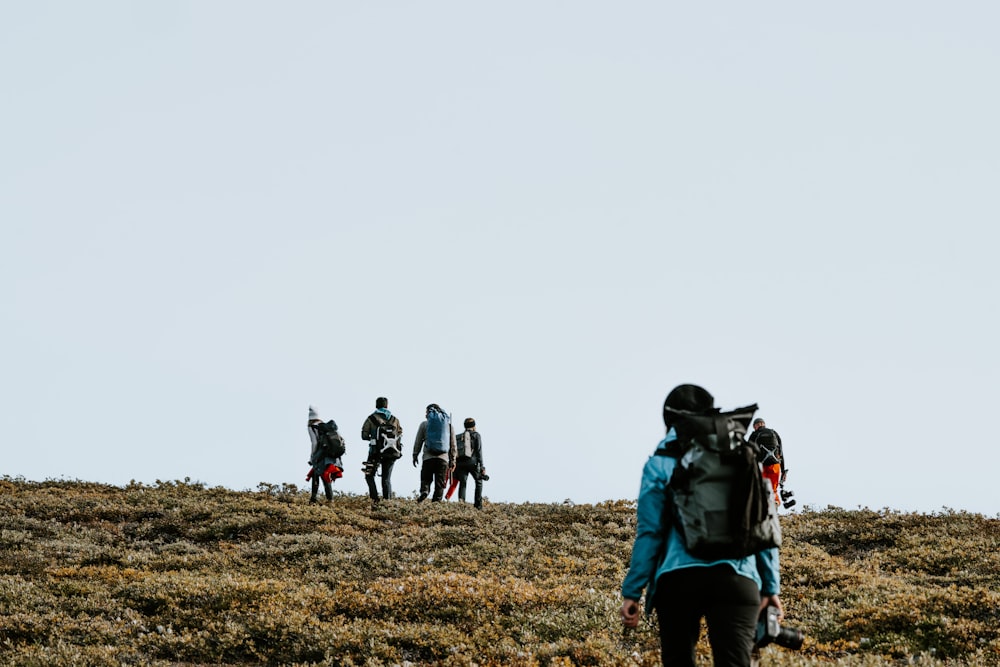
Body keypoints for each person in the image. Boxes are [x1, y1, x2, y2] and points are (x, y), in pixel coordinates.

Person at [620, 384, 782, 667]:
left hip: (677, 580)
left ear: (668, 420)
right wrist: (770, 587)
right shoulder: (740, 454)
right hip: (738, 576)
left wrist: (633, 591)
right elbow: (762, 522)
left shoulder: (660, 462)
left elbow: (650, 533)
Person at [361, 397, 403, 509]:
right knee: (386, 479)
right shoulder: (395, 420)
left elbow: (364, 435)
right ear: (387, 406)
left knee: (369, 476)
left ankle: (375, 500)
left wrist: (374, 437)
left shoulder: (371, 418)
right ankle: (387, 503)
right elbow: (400, 433)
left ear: (376, 406)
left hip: (374, 452)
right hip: (391, 453)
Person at [412, 403, 455, 502]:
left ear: (430, 412)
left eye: (426, 412)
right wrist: (453, 460)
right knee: (440, 483)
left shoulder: (424, 424)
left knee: (426, 479)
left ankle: (425, 491)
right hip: (443, 459)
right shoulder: (449, 426)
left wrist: (415, 455)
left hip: (428, 457)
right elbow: (453, 445)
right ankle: (436, 503)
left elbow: (418, 441)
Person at [307, 406, 344, 504]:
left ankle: (316, 499)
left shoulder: (312, 427)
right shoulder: (326, 426)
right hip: (331, 454)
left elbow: (314, 443)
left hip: (321, 453)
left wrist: (312, 456)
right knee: (325, 475)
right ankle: (328, 500)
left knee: (319, 474)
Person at [748, 418, 786, 505]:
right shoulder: (774, 433)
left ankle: (762, 510)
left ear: (756, 426)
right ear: (763, 424)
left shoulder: (754, 434)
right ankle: (775, 505)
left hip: (761, 466)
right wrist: (783, 471)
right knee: (773, 490)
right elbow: (781, 453)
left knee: (760, 490)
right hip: (775, 465)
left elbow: (748, 452)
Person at [453, 417, 486, 509]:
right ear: (474, 426)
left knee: (463, 483)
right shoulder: (476, 435)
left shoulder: (459, 436)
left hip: (460, 463)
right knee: (478, 481)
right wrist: (482, 467)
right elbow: (479, 452)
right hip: (472, 462)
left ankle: (461, 505)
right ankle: (478, 505)